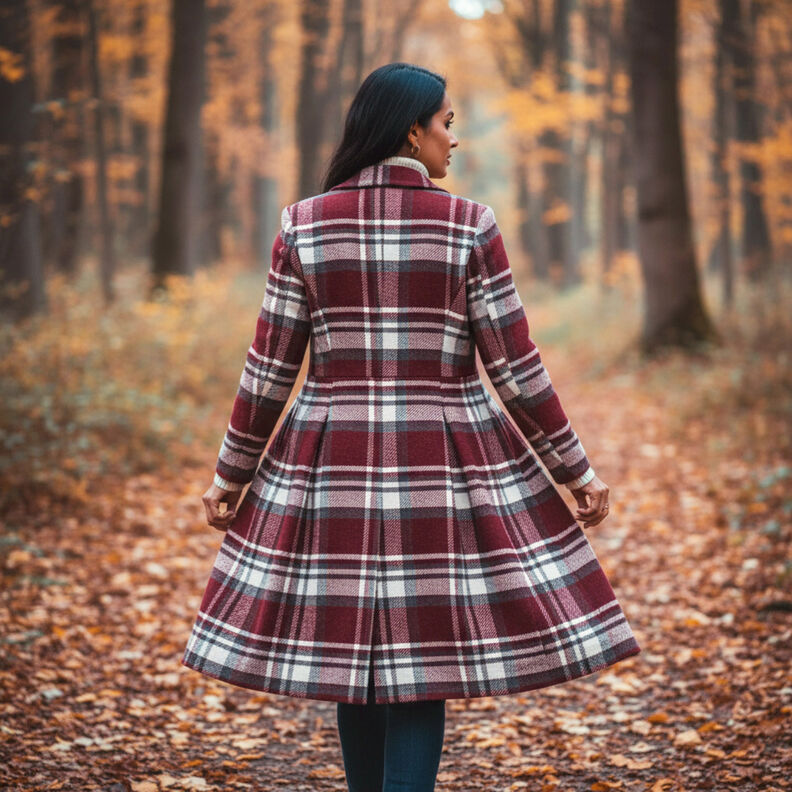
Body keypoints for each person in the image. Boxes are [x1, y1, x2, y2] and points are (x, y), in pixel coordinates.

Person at [182, 62, 641, 792]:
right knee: (421, 665)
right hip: (443, 459)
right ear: (411, 130)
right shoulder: (469, 225)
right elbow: (516, 371)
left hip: (330, 459)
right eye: (446, 123)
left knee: (350, 659)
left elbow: (269, 372)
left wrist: (230, 475)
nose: (452, 141)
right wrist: (574, 469)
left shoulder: (302, 225)